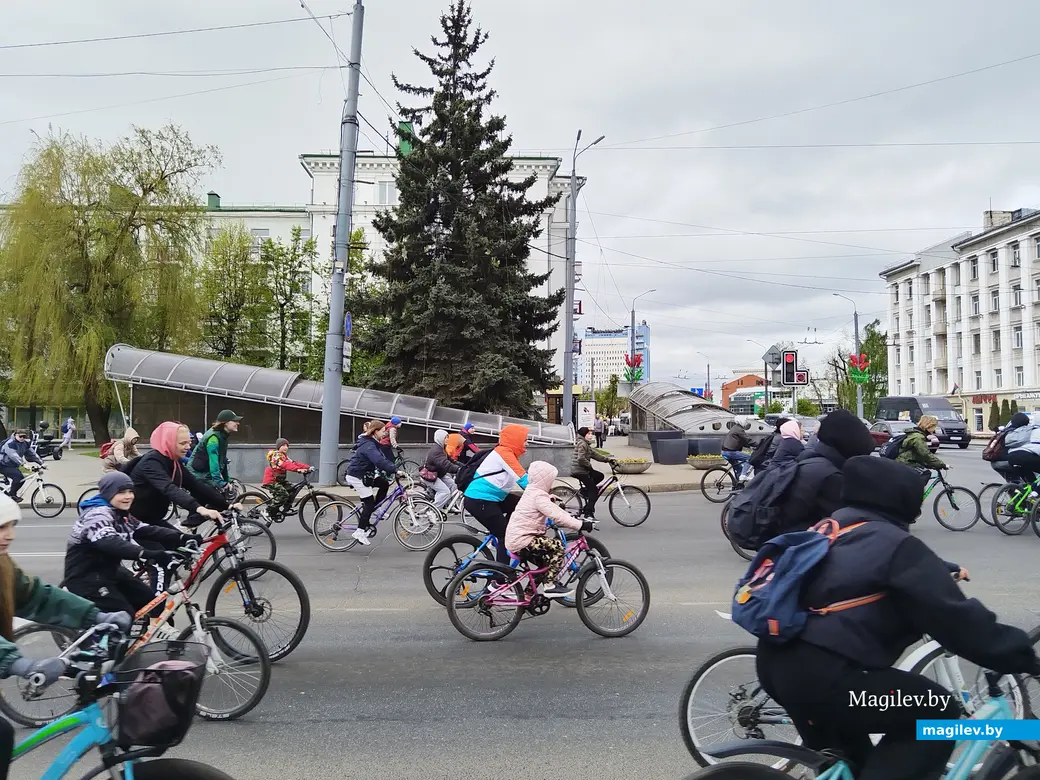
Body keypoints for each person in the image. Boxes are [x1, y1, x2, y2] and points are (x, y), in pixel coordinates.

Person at [756, 455, 1039, 780]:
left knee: (857, 764)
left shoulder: (830, 529)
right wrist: (1023, 655)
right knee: (936, 712)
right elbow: (959, 623)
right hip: (828, 681)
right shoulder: (897, 545)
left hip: (775, 665)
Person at [0, 493, 131, 780]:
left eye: (11, 526)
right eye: (1, 528)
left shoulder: (3, 564)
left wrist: (95, 615)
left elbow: (38, 597)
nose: (9, 536)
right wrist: (23, 665)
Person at [64, 472, 191, 617]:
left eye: (131, 491)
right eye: (121, 492)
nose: (128, 496)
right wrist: (146, 553)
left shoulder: (119, 513)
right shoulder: (97, 514)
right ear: (108, 493)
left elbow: (145, 529)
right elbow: (109, 542)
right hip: (87, 577)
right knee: (125, 615)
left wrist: (181, 537)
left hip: (109, 571)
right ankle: (101, 638)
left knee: (151, 603)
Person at [504, 461, 594, 599]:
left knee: (545, 564)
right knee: (558, 546)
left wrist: (548, 497)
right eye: (550, 480)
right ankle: (549, 586)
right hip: (523, 540)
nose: (551, 484)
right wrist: (580, 525)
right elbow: (558, 516)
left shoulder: (533, 491)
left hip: (518, 537)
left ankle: (528, 595)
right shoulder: (539, 497)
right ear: (544, 480)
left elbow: (542, 503)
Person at [780, 409, 877, 533]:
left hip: (786, 540)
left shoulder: (810, 460)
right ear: (850, 447)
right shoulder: (830, 476)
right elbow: (843, 522)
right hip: (805, 544)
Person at [126, 422, 229, 532]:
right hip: (134, 524)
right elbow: (169, 488)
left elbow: (195, 484)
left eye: (189, 442)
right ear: (168, 442)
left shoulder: (173, 462)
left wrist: (226, 505)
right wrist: (199, 509)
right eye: (183, 443)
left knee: (185, 543)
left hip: (152, 520)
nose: (188, 447)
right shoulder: (151, 462)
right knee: (174, 546)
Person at [462, 424, 530, 565]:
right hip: (480, 500)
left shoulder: (507, 453)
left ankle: (507, 537)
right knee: (504, 535)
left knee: (520, 504)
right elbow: (523, 479)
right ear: (515, 439)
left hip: (491, 498)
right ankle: (500, 578)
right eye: (525, 440)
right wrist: (542, 494)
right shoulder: (504, 453)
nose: (527, 443)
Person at [343, 419, 399, 546]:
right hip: (357, 476)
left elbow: (381, 459)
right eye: (383, 431)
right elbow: (378, 460)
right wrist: (394, 469)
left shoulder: (372, 442)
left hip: (365, 475)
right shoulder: (369, 445)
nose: (384, 433)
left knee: (384, 483)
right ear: (375, 431)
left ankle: (376, 508)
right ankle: (359, 531)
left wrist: (390, 468)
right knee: (368, 503)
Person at [187, 409, 242, 491]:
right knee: (215, 499)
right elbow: (214, 461)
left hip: (204, 473)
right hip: (199, 474)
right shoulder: (213, 438)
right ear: (225, 423)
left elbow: (222, 461)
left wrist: (227, 479)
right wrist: (220, 482)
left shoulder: (223, 436)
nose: (238, 423)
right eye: (234, 421)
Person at [571, 427, 615, 519]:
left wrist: (608, 460)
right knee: (594, 491)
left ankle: (586, 491)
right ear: (584, 435)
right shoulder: (582, 444)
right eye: (589, 434)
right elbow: (581, 458)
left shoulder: (586, 444)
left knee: (599, 476)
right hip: (579, 471)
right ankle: (588, 513)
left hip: (582, 469)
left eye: (591, 434)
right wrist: (589, 467)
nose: (591, 436)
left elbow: (595, 455)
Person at [261, 439, 312, 519]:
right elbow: (285, 465)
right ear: (278, 447)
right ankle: (267, 511)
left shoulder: (284, 456)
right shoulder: (276, 455)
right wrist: (297, 469)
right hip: (271, 481)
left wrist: (308, 467)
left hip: (279, 480)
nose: (286, 447)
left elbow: (293, 463)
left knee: (292, 489)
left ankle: (286, 508)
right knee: (283, 495)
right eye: (283, 445)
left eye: (287, 446)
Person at [895, 415, 948, 484]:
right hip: (905, 463)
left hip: (903, 461)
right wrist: (942, 464)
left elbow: (919, 456)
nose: (934, 430)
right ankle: (915, 493)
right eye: (934, 427)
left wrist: (932, 465)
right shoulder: (918, 437)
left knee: (918, 474)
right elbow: (926, 454)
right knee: (925, 473)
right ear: (928, 425)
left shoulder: (915, 434)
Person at [422, 430, 461, 510]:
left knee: (454, 485)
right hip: (431, 476)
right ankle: (433, 512)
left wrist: (465, 466)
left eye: (448, 437)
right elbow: (446, 465)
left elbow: (451, 461)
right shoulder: (437, 451)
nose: (447, 439)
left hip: (439, 474)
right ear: (440, 438)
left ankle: (449, 505)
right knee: (444, 492)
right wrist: (458, 470)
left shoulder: (442, 448)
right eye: (445, 437)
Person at [0, 430, 42, 501]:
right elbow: (14, 456)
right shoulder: (10, 443)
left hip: (13, 465)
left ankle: (12, 492)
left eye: (24, 436)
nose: (22, 438)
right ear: (16, 435)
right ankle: (12, 495)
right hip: (3, 465)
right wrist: (23, 464)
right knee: (18, 476)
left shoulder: (25, 444)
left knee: (23, 477)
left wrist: (41, 463)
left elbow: (32, 454)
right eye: (20, 436)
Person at [1004, 412, 1040, 486]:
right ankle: (1035, 493)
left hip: (1011, 457)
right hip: (1026, 457)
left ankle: (1019, 491)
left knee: (1030, 481)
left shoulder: (1010, 432)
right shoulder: (1031, 430)